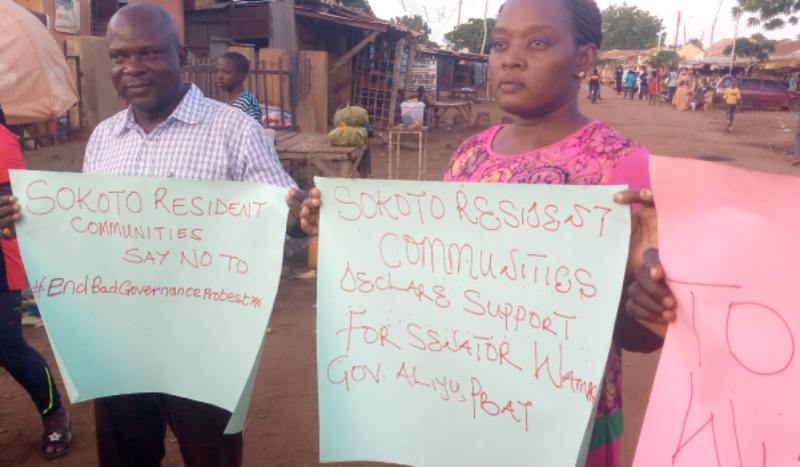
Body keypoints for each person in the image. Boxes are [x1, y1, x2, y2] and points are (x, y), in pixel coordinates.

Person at [299, 1, 663, 466]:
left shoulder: (622, 165)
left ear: (583, 58)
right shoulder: (471, 154)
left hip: (560, 424)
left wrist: (649, 303)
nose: (511, 59)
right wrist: (345, 230)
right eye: (501, 43)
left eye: (538, 42)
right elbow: (434, 274)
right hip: (461, 398)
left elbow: (640, 335)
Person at [0, 5, 306, 467]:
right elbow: (89, 232)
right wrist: (29, 220)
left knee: (212, 457)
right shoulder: (105, 138)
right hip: (120, 342)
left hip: (206, 346)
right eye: (120, 56)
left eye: (148, 53)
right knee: (125, 456)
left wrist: (300, 215)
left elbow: (282, 212)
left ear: (180, 56)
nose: (133, 68)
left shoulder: (235, 131)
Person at [0, 105, 73, 460]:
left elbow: (8, 208)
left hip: (0, 263)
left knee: (8, 347)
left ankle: (53, 411)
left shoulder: (2, 141)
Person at [214, 51, 262, 123]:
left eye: (226, 72)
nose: (219, 76)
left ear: (241, 77)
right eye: (217, 71)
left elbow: (254, 128)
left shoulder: (246, 102)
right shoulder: (230, 100)